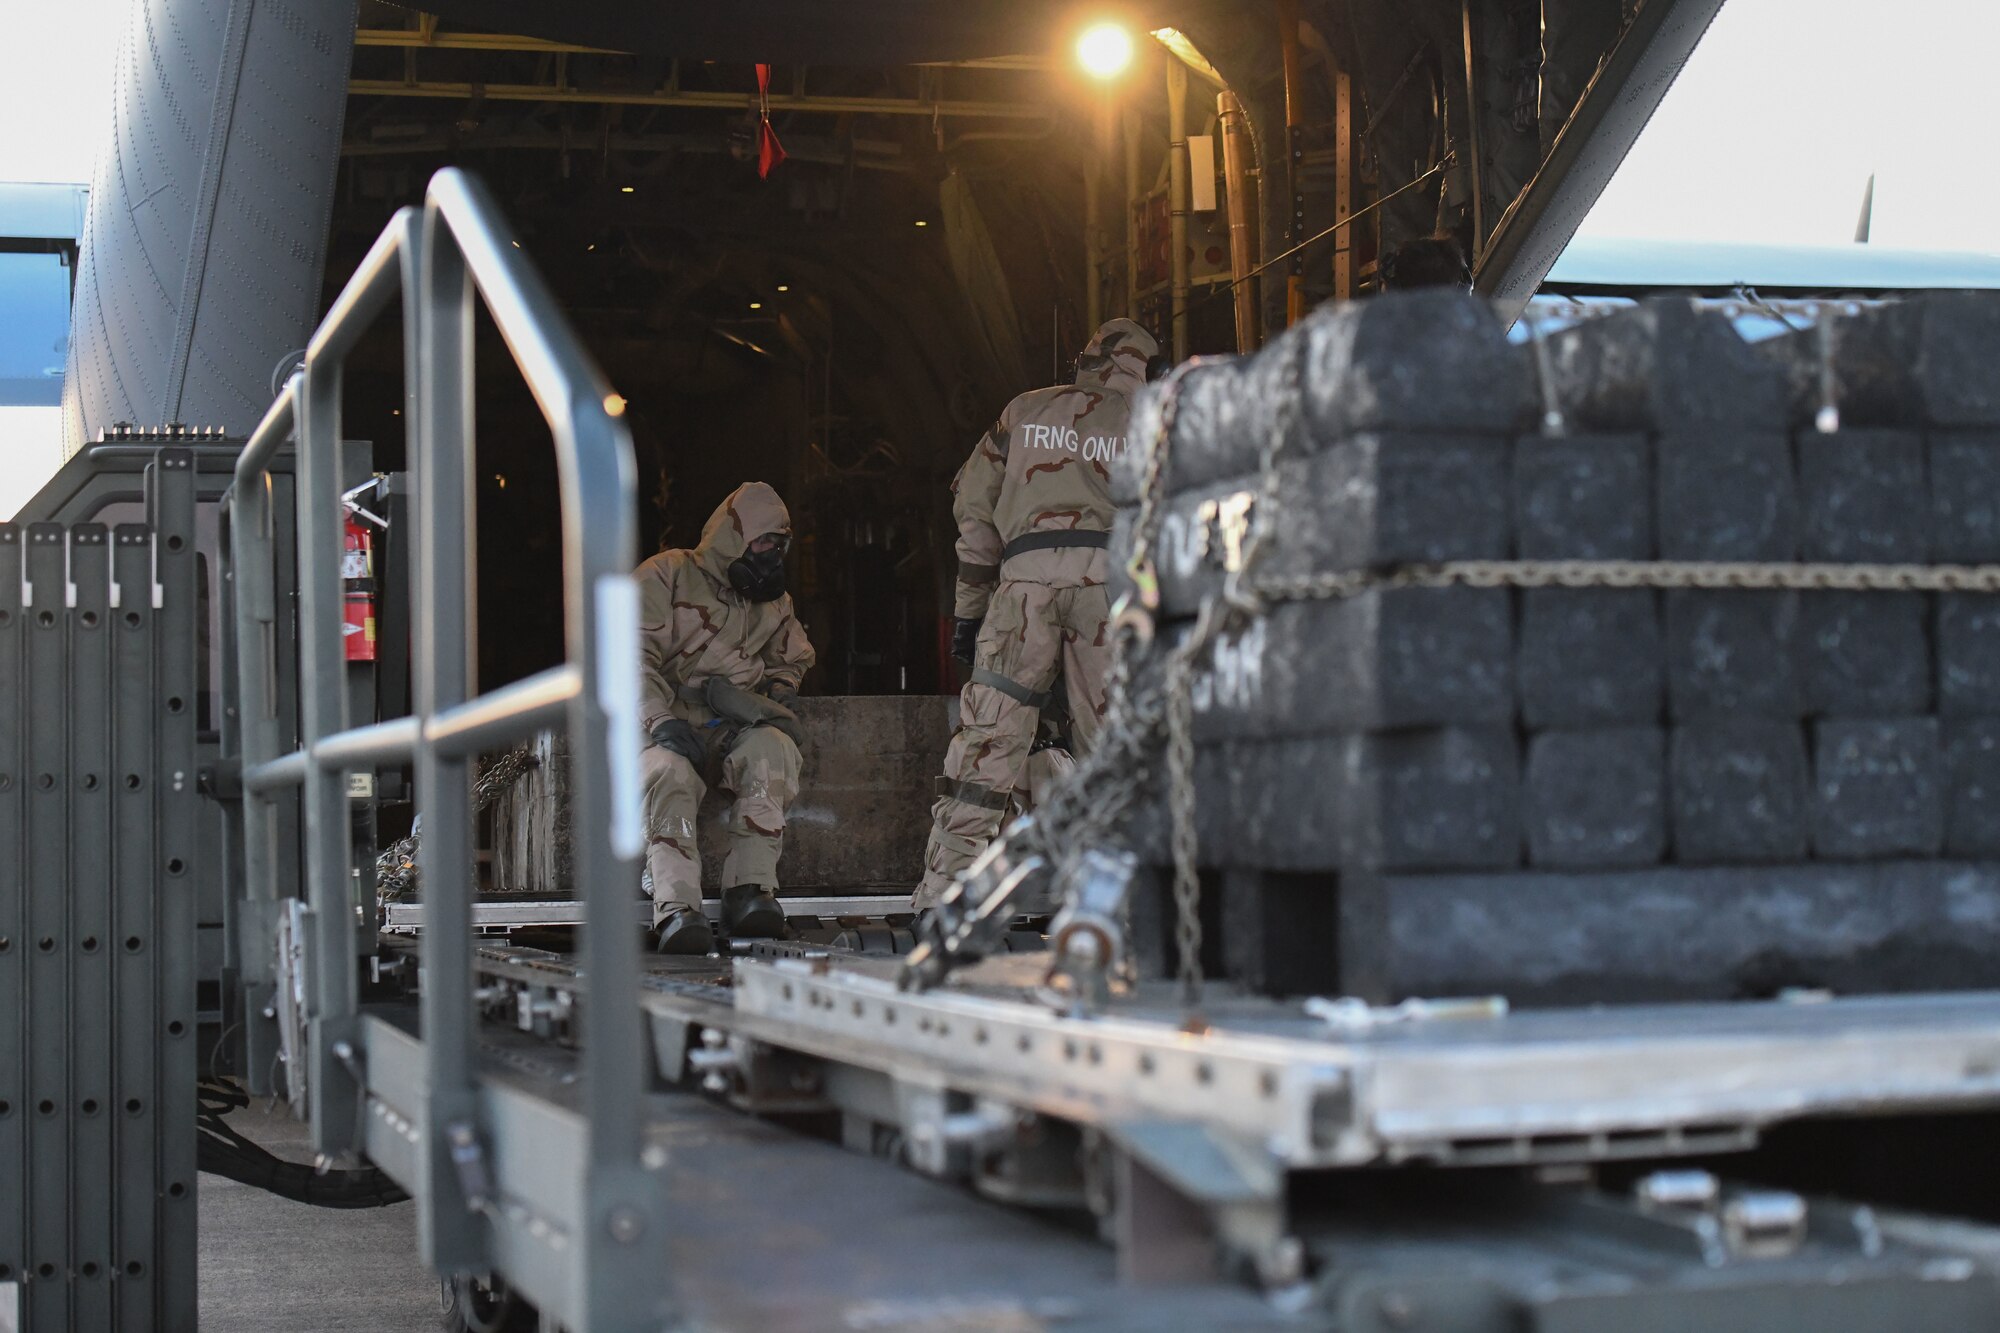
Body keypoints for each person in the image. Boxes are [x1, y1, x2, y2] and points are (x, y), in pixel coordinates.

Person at [915, 317, 1160, 909]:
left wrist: (970, 616)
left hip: (1023, 588)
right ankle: (1116, 911)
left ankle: (944, 897)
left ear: (1086, 361)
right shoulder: (1153, 422)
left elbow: (974, 517)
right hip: (1110, 591)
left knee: (988, 744)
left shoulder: (1022, 411)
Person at [637, 482, 815, 953]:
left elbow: (790, 658)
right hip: (658, 726)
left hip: (725, 727)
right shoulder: (666, 575)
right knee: (670, 775)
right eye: (763, 543)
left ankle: (750, 892)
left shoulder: (773, 604)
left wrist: (779, 690)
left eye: (780, 546)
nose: (772, 555)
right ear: (734, 539)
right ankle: (678, 911)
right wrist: (659, 720)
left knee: (773, 749)